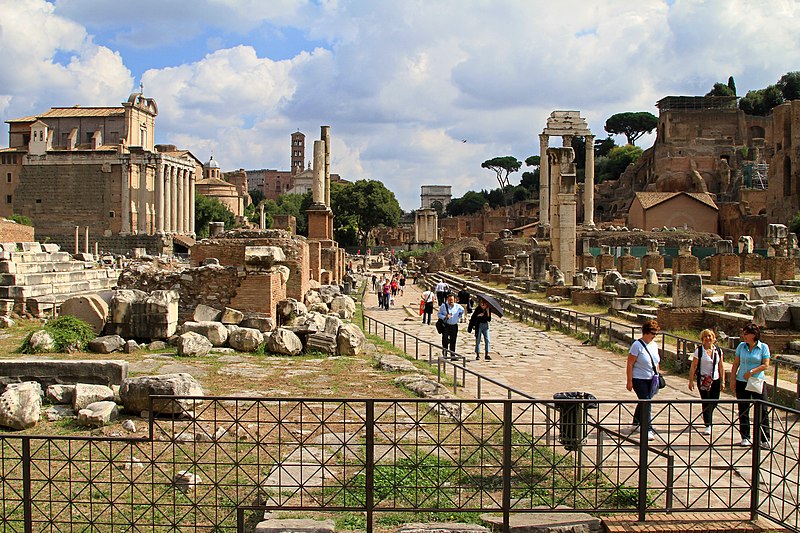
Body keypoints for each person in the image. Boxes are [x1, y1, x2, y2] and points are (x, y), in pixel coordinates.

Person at [730, 322, 771, 448]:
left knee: (762, 409)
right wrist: (732, 379)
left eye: (746, 334)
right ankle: (745, 436)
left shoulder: (763, 347)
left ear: (754, 335)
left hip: (757, 381)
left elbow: (766, 364)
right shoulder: (741, 347)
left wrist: (752, 372)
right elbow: (736, 363)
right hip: (742, 381)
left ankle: (764, 438)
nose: (744, 336)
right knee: (743, 409)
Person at [626, 319, 661, 441]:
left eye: (656, 334)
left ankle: (635, 423)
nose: (654, 336)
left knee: (644, 401)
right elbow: (630, 363)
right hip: (638, 379)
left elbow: (657, 361)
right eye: (653, 333)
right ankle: (648, 429)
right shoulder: (636, 345)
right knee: (647, 402)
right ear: (646, 332)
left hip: (651, 379)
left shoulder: (654, 345)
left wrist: (657, 374)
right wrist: (629, 381)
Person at [687, 329, 725, 435]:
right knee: (706, 401)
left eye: (709, 336)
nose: (708, 338)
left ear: (713, 338)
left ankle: (706, 414)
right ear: (702, 339)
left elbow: (721, 366)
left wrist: (723, 381)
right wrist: (691, 381)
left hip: (715, 379)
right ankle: (708, 424)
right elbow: (693, 366)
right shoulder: (699, 351)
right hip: (703, 380)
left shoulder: (718, 350)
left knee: (715, 401)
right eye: (705, 337)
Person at [438, 293, 464, 358]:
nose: (451, 301)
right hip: (446, 325)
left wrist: (460, 316)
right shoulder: (443, 306)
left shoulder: (458, 306)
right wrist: (444, 317)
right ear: (447, 300)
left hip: (454, 325)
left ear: (454, 300)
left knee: (453, 340)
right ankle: (445, 354)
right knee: (445, 340)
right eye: (449, 300)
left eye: (452, 300)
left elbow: (462, 311)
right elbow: (439, 314)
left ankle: (452, 355)